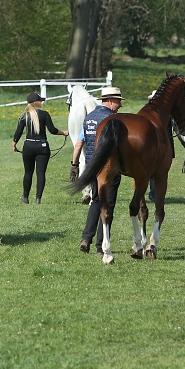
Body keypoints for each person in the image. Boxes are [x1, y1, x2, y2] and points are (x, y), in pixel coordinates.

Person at [71, 86, 125, 254]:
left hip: (91, 166)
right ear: (109, 101)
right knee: (108, 204)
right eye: (118, 102)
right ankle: (101, 246)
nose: (120, 105)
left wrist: (74, 165)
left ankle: (86, 238)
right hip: (109, 168)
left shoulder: (88, 119)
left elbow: (79, 142)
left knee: (96, 200)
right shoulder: (113, 119)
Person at [12, 92, 69, 204]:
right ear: (36, 103)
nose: (42, 102)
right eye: (40, 100)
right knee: (41, 173)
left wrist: (14, 143)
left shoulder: (24, 116)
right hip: (42, 146)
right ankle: (38, 198)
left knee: (28, 172)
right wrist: (64, 132)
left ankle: (25, 197)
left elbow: (18, 131)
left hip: (28, 146)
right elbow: (52, 130)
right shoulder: (44, 114)